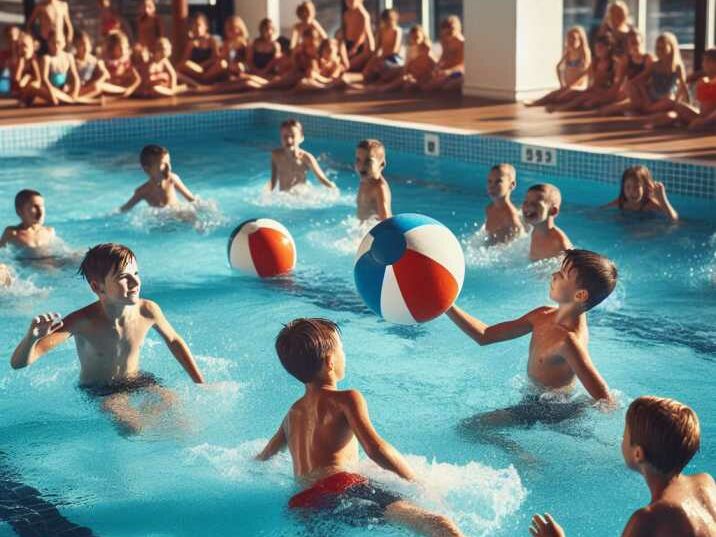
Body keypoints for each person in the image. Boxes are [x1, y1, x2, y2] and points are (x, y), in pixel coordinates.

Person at [256, 318, 465, 537]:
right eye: (342, 350)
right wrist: (416, 481)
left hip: (302, 504)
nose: (344, 355)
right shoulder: (346, 399)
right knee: (437, 524)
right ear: (330, 362)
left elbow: (264, 456)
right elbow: (375, 449)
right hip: (341, 486)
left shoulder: (292, 413)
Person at [9, 243, 205, 434]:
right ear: (97, 287)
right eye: (123, 277)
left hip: (137, 379)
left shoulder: (148, 310)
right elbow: (18, 363)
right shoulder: (82, 321)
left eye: (136, 274)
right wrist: (30, 338)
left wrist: (200, 383)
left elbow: (174, 341)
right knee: (133, 429)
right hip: (101, 389)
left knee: (181, 418)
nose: (135, 282)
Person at [446, 249, 616, 451]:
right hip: (537, 399)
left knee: (468, 428)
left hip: (549, 409)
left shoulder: (568, 342)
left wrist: (585, 413)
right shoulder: (542, 315)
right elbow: (484, 335)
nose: (554, 275)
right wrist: (447, 304)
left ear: (580, 295)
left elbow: (605, 399)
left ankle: (517, 452)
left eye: (562, 275)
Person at [530, 395, 716, 537]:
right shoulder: (705, 484)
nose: (622, 439)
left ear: (637, 454)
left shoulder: (647, 519)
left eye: (625, 435)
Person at [645, 48, 716, 130]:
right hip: (701, 117)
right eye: (704, 61)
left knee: (672, 108)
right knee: (672, 112)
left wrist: (705, 121)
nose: (703, 64)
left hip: (710, 121)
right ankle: (649, 122)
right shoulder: (703, 81)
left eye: (707, 61)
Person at [549, 35, 621, 112]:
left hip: (604, 92)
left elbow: (617, 85)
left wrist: (605, 93)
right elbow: (584, 74)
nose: (598, 50)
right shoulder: (595, 62)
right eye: (596, 48)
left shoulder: (614, 63)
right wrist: (570, 86)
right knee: (569, 94)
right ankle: (553, 104)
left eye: (601, 48)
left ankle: (561, 108)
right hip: (593, 90)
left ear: (608, 48)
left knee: (585, 100)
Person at [526, 26, 591, 107]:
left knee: (562, 97)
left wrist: (573, 85)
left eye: (574, 38)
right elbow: (558, 67)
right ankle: (535, 103)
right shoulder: (568, 52)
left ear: (581, 40)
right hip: (567, 86)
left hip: (579, 87)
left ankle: (557, 106)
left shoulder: (584, 53)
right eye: (569, 38)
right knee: (553, 94)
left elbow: (586, 72)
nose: (571, 41)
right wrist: (562, 83)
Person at [120, 144, 196, 212]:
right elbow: (125, 208)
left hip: (178, 213)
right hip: (161, 221)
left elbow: (191, 199)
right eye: (163, 164)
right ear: (147, 169)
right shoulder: (143, 191)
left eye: (169, 163)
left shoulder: (172, 179)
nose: (169, 167)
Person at [627, 32, 688, 116]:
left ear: (672, 48)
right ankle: (649, 110)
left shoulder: (677, 67)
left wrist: (681, 102)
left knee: (669, 100)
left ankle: (647, 110)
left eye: (663, 48)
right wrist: (642, 91)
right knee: (631, 85)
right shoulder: (654, 65)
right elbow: (638, 80)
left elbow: (682, 87)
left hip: (666, 98)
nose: (659, 51)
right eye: (658, 48)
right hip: (651, 97)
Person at [269, 119, 336, 192]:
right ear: (280, 138)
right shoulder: (276, 155)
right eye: (285, 136)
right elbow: (273, 181)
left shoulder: (306, 158)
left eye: (293, 136)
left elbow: (321, 178)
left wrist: (333, 187)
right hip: (284, 197)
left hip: (300, 198)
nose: (289, 140)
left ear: (301, 138)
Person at [598, 29, 652, 116]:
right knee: (605, 103)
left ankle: (618, 108)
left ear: (641, 42)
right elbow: (619, 82)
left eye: (636, 42)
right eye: (632, 43)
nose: (635, 45)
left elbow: (647, 78)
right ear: (628, 45)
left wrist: (631, 84)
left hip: (644, 92)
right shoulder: (626, 59)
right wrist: (608, 95)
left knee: (628, 101)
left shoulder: (648, 58)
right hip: (631, 91)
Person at [604, 165, 678, 221]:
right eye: (627, 187)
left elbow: (673, 219)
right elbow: (601, 210)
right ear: (623, 187)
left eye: (636, 187)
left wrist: (662, 199)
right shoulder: (622, 202)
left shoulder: (649, 205)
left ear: (646, 187)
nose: (631, 192)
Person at [522, 184, 573, 262]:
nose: (528, 207)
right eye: (526, 202)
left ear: (553, 211)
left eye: (535, 204)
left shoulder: (559, 243)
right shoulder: (533, 230)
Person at [1, 189, 56, 255]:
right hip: (28, 263)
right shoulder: (13, 233)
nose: (40, 211)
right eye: (35, 207)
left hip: (52, 262)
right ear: (20, 211)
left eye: (42, 206)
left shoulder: (49, 231)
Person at [484, 163, 524, 244]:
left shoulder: (510, 215)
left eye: (498, 181)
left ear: (512, 185)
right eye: (489, 181)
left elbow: (521, 240)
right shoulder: (489, 209)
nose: (492, 186)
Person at [422, 16, 464, 92]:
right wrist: (437, 68)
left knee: (445, 87)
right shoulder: (444, 41)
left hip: (457, 72)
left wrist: (449, 71)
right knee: (425, 81)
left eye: (449, 32)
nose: (446, 36)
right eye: (444, 32)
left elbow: (462, 65)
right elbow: (444, 58)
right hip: (446, 71)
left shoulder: (462, 43)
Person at [38, 31, 80, 105]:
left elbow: (75, 77)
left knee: (72, 92)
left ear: (64, 43)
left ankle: (70, 99)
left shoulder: (69, 56)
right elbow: (44, 79)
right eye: (53, 43)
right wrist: (52, 95)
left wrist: (75, 93)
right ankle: (69, 99)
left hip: (65, 89)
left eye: (58, 43)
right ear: (48, 43)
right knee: (34, 87)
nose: (56, 46)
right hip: (51, 90)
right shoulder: (47, 58)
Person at [362, 8, 402, 84]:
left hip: (394, 58)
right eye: (386, 20)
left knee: (381, 66)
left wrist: (381, 58)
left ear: (395, 19)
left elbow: (395, 50)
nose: (388, 22)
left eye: (390, 19)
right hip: (382, 57)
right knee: (366, 72)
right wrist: (373, 58)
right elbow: (377, 48)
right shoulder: (381, 30)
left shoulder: (397, 31)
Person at [355, 139, 392, 222]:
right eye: (358, 160)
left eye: (368, 161)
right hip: (364, 230)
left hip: (375, 232)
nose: (361, 166)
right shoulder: (364, 181)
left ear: (382, 164)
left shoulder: (379, 188)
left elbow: (386, 220)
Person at [177, 12, 219, 83]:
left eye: (198, 25)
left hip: (209, 70)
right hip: (195, 70)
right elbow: (184, 62)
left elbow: (215, 58)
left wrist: (202, 66)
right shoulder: (191, 43)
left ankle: (202, 80)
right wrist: (190, 46)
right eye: (194, 25)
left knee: (222, 64)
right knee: (180, 67)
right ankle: (199, 81)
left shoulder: (211, 40)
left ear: (206, 26)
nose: (196, 28)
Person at [101, 31, 141, 97]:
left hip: (122, 91)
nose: (123, 50)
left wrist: (130, 89)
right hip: (108, 92)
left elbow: (137, 79)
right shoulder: (104, 62)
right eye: (120, 47)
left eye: (125, 47)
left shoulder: (126, 63)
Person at [73, 31, 109, 101]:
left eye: (86, 44)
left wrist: (96, 82)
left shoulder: (94, 60)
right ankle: (78, 99)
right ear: (76, 47)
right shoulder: (72, 60)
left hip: (90, 86)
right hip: (76, 89)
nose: (85, 47)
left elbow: (106, 74)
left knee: (98, 86)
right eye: (81, 45)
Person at [343, 0, 374, 72]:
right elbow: (344, 32)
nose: (349, 2)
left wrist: (354, 48)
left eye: (352, 0)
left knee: (346, 65)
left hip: (362, 47)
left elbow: (362, 36)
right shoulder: (346, 14)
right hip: (349, 45)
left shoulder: (363, 15)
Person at [10, 32, 41, 105]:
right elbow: (16, 79)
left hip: (34, 86)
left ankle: (25, 99)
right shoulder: (20, 59)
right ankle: (23, 98)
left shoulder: (33, 60)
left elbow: (38, 79)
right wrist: (21, 63)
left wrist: (28, 79)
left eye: (26, 46)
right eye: (21, 46)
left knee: (28, 80)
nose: (24, 49)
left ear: (32, 48)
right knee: (19, 84)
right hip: (22, 87)